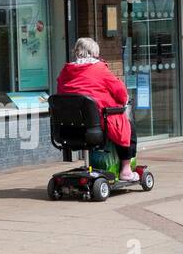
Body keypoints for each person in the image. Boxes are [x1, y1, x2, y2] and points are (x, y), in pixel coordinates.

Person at [55, 37, 139, 182]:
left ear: (77, 52)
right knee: (128, 127)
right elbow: (120, 92)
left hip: (67, 128)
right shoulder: (99, 68)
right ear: (94, 53)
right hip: (96, 125)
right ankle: (126, 170)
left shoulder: (65, 71)